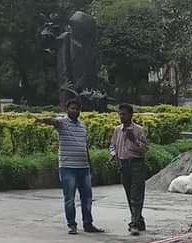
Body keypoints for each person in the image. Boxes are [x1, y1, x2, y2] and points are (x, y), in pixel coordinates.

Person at [38, 99, 103, 235]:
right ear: (67, 110)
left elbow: (85, 147)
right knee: (70, 198)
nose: (74, 111)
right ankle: (72, 225)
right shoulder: (62, 123)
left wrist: (90, 165)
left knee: (87, 198)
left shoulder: (83, 126)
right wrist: (43, 120)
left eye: (77, 109)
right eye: (72, 108)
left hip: (83, 167)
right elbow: (53, 122)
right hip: (68, 167)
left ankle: (88, 224)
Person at [109, 102, 149, 235]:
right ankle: (139, 219)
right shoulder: (117, 130)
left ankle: (134, 223)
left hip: (136, 163)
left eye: (124, 114)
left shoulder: (139, 130)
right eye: (120, 114)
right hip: (123, 164)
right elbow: (112, 145)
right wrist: (113, 154)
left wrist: (134, 140)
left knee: (136, 195)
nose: (121, 117)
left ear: (131, 115)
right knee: (129, 194)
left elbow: (144, 149)